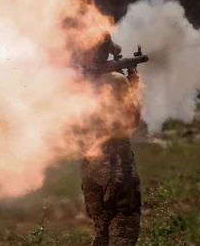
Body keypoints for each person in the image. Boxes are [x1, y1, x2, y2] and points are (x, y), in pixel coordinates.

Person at [77, 29, 142, 246]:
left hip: (89, 166)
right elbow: (132, 122)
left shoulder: (77, 86)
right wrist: (133, 86)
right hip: (116, 164)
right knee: (125, 224)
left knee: (102, 235)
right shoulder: (116, 81)